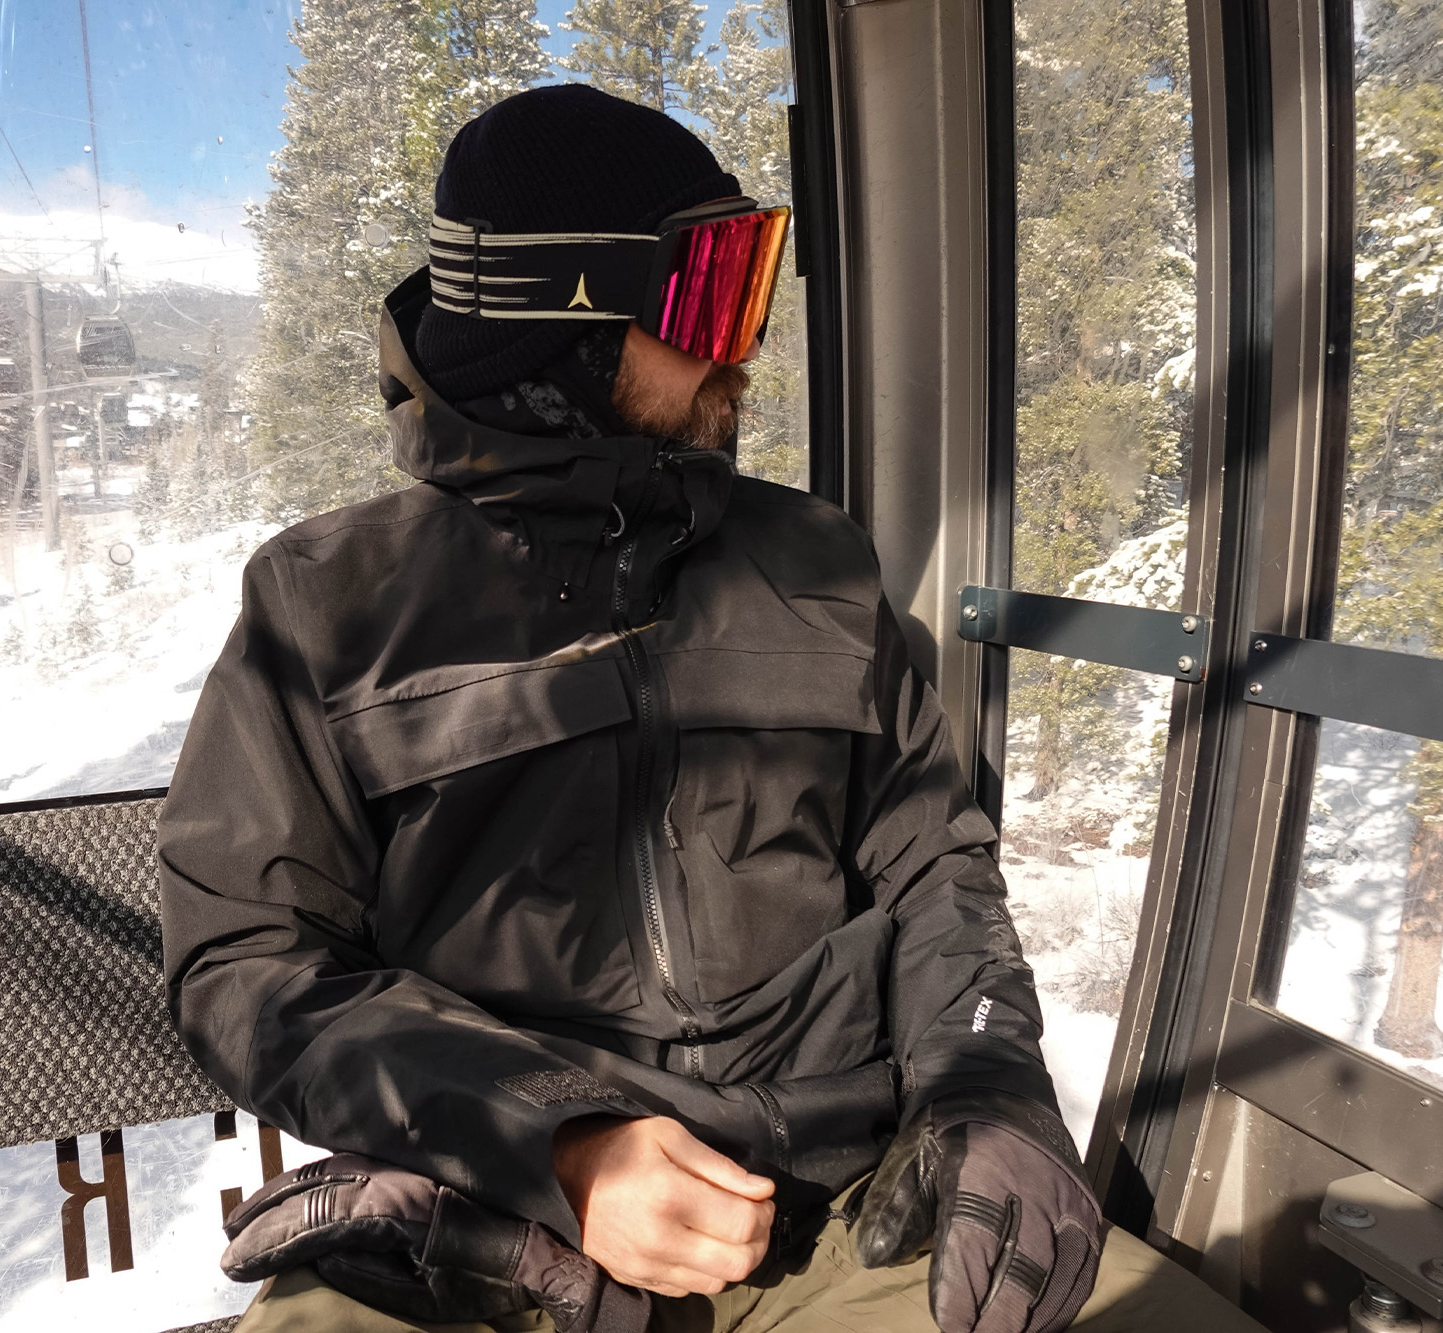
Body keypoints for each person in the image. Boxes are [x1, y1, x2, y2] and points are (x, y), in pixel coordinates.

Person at [159, 85, 1102, 1333]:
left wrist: (987, 1079)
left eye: (752, 291)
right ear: (567, 324)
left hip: (846, 1198)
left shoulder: (811, 558)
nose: (743, 348)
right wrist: (559, 1142)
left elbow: (930, 854)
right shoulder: (330, 606)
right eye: (709, 297)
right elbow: (245, 963)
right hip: (497, 1222)